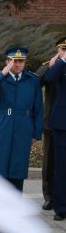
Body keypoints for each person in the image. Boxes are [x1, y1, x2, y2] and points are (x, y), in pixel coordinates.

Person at [0, 46, 43, 191]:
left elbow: (38, 107)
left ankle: (15, 202)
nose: (18, 64)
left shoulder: (32, 80)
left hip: (23, 125)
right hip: (3, 125)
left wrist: (36, 132)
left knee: (18, 166)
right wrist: (2, 74)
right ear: (7, 61)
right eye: (14, 61)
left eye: (21, 61)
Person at [37, 37, 65, 212]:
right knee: (50, 162)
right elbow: (38, 81)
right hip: (51, 121)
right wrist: (50, 65)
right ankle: (49, 197)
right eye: (62, 48)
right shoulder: (52, 64)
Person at [44, 39, 66, 221]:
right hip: (62, 123)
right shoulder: (60, 65)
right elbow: (49, 79)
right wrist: (62, 61)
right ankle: (60, 208)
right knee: (60, 167)